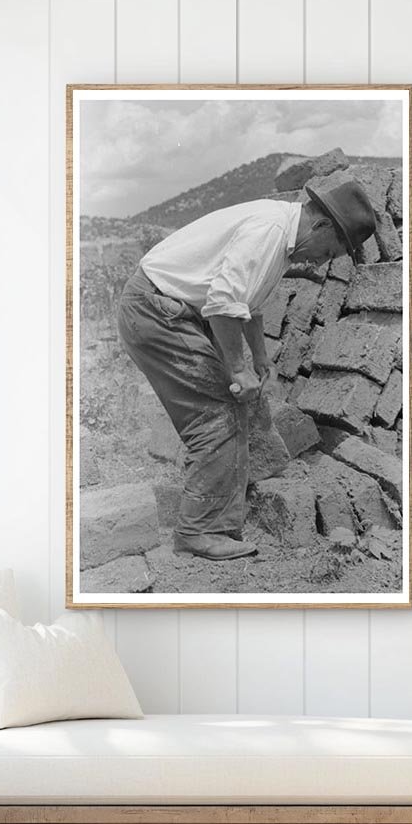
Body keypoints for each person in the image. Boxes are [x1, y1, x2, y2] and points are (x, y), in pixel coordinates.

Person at [117, 179, 377, 561]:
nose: (321, 263)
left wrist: (260, 357)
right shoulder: (269, 231)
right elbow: (223, 302)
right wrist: (238, 371)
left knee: (225, 408)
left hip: (166, 308)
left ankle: (213, 513)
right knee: (218, 414)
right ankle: (198, 531)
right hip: (157, 311)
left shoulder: (281, 237)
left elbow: (248, 304)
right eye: (328, 252)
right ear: (322, 226)